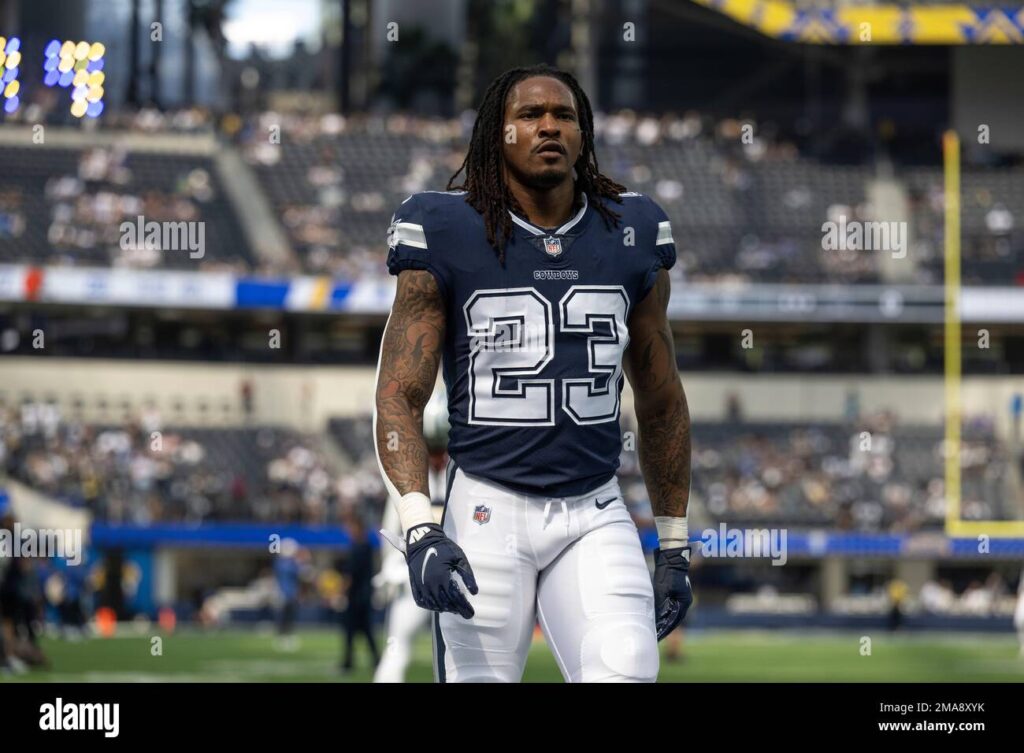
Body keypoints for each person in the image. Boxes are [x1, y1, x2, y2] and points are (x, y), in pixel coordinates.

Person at [374, 64, 693, 683]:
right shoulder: (444, 229)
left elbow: (661, 400)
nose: (549, 125)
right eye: (529, 115)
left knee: (627, 666)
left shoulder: (632, 231)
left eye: (564, 114)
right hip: (486, 508)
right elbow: (399, 395)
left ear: (584, 133)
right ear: (498, 133)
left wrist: (675, 543)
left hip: (594, 506)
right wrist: (420, 529)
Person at [373, 388, 449, 683]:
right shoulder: (451, 466)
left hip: (425, 570)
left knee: (398, 651)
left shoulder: (420, 464)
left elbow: (389, 528)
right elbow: (391, 528)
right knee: (398, 649)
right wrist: (391, 566)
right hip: (419, 571)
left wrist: (391, 566)